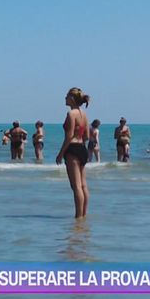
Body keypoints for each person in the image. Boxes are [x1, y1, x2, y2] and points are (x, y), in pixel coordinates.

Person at [55, 87, 90, 219]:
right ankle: (84, 214)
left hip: (73, 149)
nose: (65, 98)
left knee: (76, 186)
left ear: (72, 98)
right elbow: (86, 136)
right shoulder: (84, 114)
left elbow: (69, 136)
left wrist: (60, 153)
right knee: (83, 185)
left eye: (67, 96)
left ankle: (78, 216)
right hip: (82, 148)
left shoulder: (71, 114)